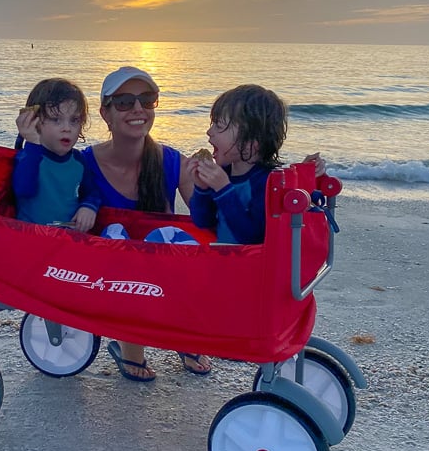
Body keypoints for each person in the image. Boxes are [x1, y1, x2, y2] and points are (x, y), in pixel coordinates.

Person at [81, 66, 212, 382]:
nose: (138, 109)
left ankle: (184, 337)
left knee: (181, 248)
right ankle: (130, 350)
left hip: (163, 273)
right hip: (108, 276)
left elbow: (205, 219)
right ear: (105, 113)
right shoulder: (84, 162)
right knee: (124, 250)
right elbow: (48, 186)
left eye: (147, 99)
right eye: (125, 101)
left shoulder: (170, 161)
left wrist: (208, 182)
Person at [188, 84, 323, 244]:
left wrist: (224, 190)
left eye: (219, 125)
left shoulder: (268, 182)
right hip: (225, 261)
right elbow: (203, 222)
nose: (209, 132)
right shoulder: (223, 173)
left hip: (254, 266)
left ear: (251, 143)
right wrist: (201, 189)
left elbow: (252, 237)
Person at [12, 77, 101, 231]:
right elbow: (23, 189)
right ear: (35, 121)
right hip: (31, 239)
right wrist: (32, 143)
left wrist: (88, 207)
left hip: (66, 240)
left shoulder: (78, 160)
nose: (67, 128)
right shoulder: (27, 157)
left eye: (74, 120)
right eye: (56, 119)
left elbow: (91, 191)